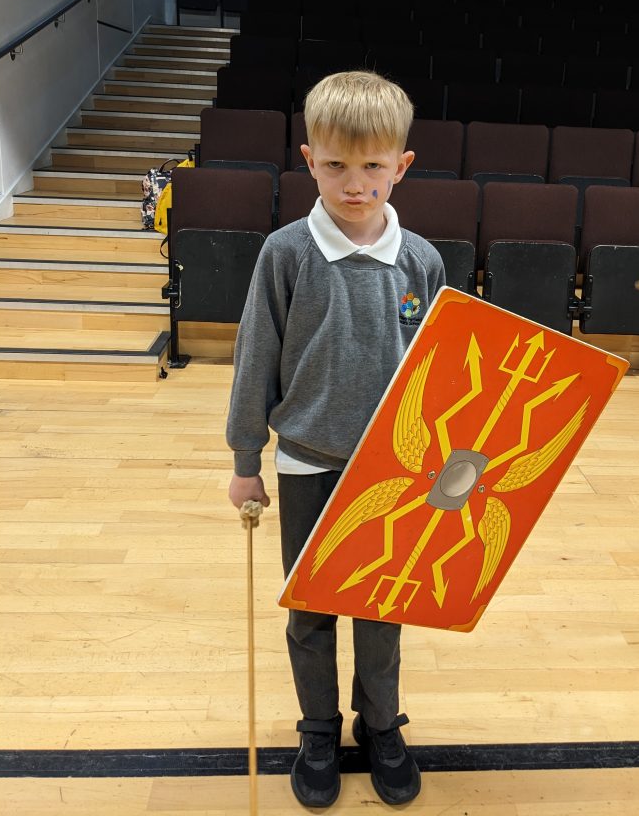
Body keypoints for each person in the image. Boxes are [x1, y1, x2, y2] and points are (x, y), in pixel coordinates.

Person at [227, 70, 446, 808]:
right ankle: (318, 727)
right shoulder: (286, 253)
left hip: (395, 471)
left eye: (373, 165)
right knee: (312, 609)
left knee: (382, 610)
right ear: (309, 160)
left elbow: (436, 374)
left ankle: (379, 724)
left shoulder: (421, 262)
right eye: (336, 165)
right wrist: (246, 460)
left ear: (401, 165)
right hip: (306, 464)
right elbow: (255, 358)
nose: (355, 184)